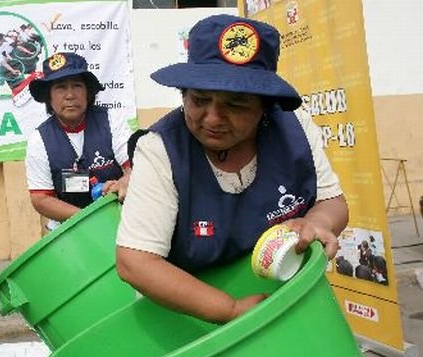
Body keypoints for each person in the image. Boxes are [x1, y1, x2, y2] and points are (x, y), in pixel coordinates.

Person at [116, 14, 348, 324]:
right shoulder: (160, 151)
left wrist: (317, 221)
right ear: (183, 94)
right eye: (199, 100)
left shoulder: (295, 130)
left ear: (265, 105)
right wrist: (230, 310)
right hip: (186, 317)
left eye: (236, 104)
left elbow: (332, 201)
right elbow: (135, 261)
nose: (213, 118)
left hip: (285, 299)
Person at [25, 52, 132, 231]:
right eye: (60, 87)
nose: (70, 95)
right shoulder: (39, 140)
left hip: (120, 223)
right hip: (69, 232)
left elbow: (134, 168)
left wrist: (126, 181)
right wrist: (88, 219)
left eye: (77, 86)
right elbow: (41, 199)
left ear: (88, 93)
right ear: (48, 98)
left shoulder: (111, 120)